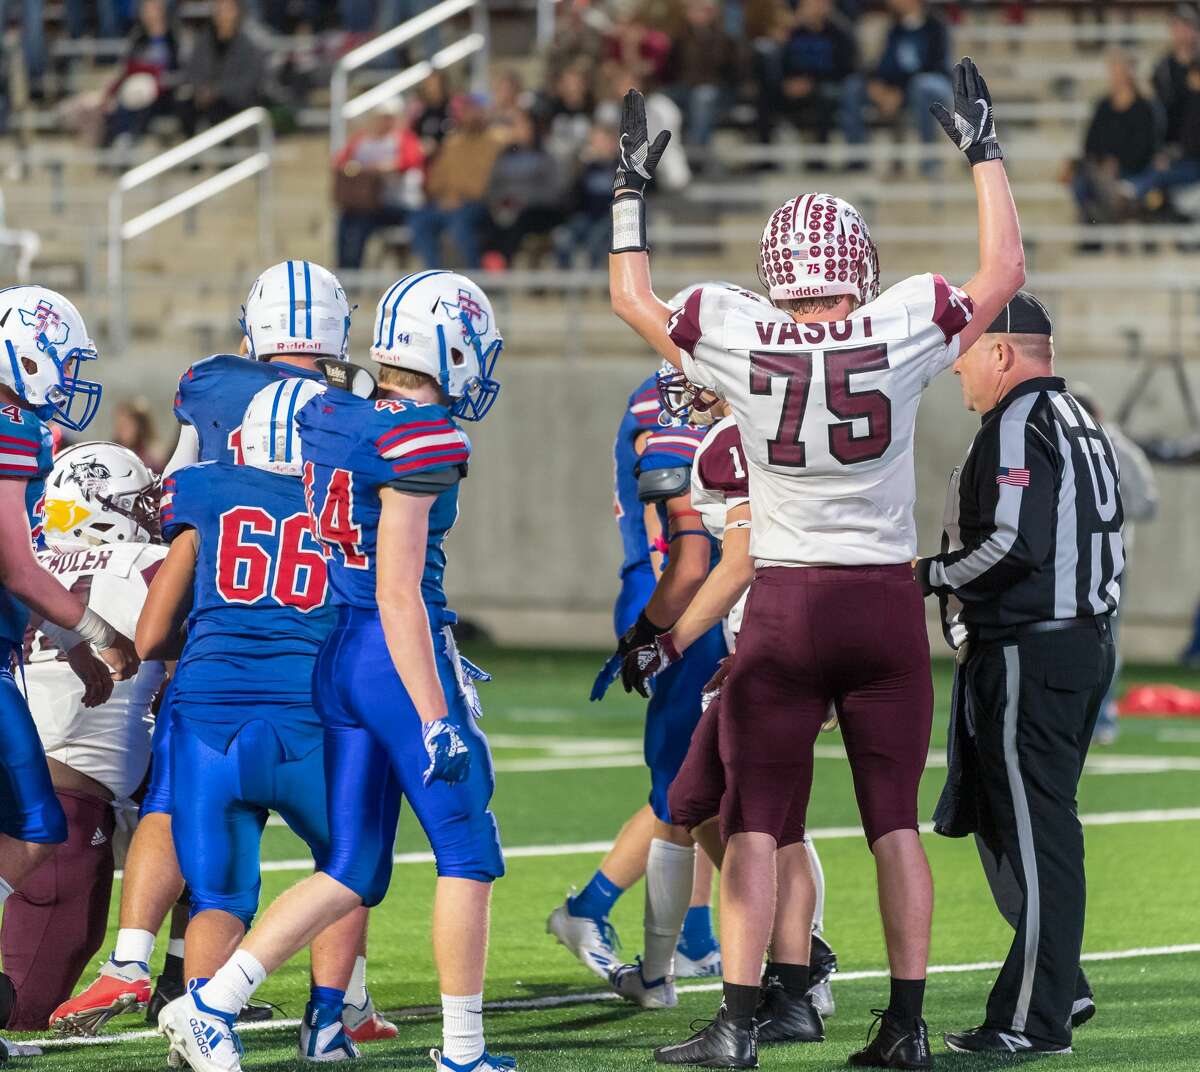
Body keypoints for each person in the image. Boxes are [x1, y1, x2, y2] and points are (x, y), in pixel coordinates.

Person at [607, 56, 1023, 1068]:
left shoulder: (738, 334)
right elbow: (1005, 272)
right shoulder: (903, 321)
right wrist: (984, 154)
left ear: (773, 268)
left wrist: (629, 189)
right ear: (859, 263)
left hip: (786, 607)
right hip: (882, 602)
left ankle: (742, 1022)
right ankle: (908, 1025)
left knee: (756, 822)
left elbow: (632, 296)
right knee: (893, 826)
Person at [158, 270, 514, 1072]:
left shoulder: (330, 415)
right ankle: (464, 1053)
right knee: (467, 851)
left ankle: (213, 1001)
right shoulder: (424, 437)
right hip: (393, 653)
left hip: (338, 656)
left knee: (352, 865)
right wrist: (433, 714)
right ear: (450, 351)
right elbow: (398, 590)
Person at [58, 261, 396, 1044]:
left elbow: (171, 517)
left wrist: (149, 638)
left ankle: (144, 968)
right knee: (350, 852)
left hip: (210, 669)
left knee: (194, 840)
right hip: (321, 677)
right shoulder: (361, 414)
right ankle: (336, 1012)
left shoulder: (212, 396)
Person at [918, 291, 1124, 1056]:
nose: (956, 371)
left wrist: (923, 575)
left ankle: (1039, 1021)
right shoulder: (1078, 420)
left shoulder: (1015, 422)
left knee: (1036, 834)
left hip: (1031, 651)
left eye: (965, 353)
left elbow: (1014, 547)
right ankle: (1052, 988)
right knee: (1011, 823)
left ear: (1002, 353)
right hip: (1078, 644)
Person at [139, 379, 365, 1063]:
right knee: (348, 870)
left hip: (208, 723)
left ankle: (206, 1030)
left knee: (220, 897)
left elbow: (151, 635)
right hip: (306, 724)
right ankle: (326, 1026)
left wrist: (215, 636)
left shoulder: (204, 493)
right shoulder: (343, 504)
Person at [628, 370, 838, 1028]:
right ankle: (791, 975)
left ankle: (782, 987)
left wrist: (667, 642)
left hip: (776, 642)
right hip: (791, 636)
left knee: (762, 825)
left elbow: (733, 563)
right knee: (713, 807)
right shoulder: (798, 432)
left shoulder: (733, 439)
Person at [0, 286, 139, 1029]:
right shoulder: (11, 424)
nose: (71, 379)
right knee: (36, 824)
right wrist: (97, 635)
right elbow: (19, 570)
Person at [3, 444, 166, 1032]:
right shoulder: (155, 561)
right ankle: (182, 982)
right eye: (138, 501)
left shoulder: (24, 559)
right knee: (21, 1013)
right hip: (67, 805)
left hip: (31, 773)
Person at [1067, 387, 1158, 744]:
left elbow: (1148, 503)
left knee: (1105, 637)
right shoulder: (1062, 443)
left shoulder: (1121, 450)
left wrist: (1106, 512)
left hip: (1109, 560)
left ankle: (1102, 715)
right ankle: (1075, 716)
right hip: (1068, 559)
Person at [842, 0, 952, 172]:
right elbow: (885, 65)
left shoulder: (936, 26)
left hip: (932, 84)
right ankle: (858, 158)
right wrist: (876, 86)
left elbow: (935, 64)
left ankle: (929, 159)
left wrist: (899, 92)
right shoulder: (895, 29)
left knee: (922, 86)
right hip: (898, 89)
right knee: (853, 86)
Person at [1069, 50, 1162, 227]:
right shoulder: (1103, 106)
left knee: (1112, 186)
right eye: (1113, 71)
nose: (1115, 77)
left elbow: (1146, 146)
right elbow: (1090, 143)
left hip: (1135, 170)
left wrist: (1118, 163)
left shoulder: (1145, 108)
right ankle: (1109, 220)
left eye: (1119, 71)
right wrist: (1105, 161)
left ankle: (1114, 217)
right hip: (1103, 171)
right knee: (1083, 182)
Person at [409, 96, 504, 269]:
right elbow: (436, 178)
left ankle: (476, 281)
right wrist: (444, 196)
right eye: (466, 111)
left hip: (478, 204)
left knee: (460, 225)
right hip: (445, 203)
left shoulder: (494, 142)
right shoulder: (452, 142)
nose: (469, 116)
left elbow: (486, 181)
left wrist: (458, 197)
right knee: (418, 221)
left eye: (474, 111)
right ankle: (436, 276)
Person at [755, 0, 859, 150]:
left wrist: (812, 83)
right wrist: (786, 82)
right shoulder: (791, 32)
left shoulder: (839, 34)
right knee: (765, 97)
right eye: (810, 3)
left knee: (826, 95)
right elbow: (781, 64)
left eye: (820, 3)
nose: (816, 7)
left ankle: (818, 159)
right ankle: (765, 159)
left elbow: (844, 69)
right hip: (791, 85)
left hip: (823, 85)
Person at [332, 105, 425, 270]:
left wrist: (381, 167)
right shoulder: (361, 139)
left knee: (360, 222)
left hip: (400, 206)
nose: (385, 122)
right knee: (347, 220)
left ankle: (352, 275)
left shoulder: (403, 138)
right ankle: (345, 273)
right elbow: (340, 162)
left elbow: (411, 161)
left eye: (389, 118)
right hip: (369, 204)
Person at [483, 110, 564, 268]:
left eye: (525, 126)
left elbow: (553, 192)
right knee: (483, 222)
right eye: (517, 127)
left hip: (536, 211)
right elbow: (493, 187)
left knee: (516, 225)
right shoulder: (504, 157)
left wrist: (522, 200)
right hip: (505, 209)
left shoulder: (544, 156)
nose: (521, 131)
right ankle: (490, 271)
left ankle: (505, 268)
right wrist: (500, 203)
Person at [177, 0, 264, 138]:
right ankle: (192, 156)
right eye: (219, 10)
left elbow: (249, 81)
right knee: (184, 107)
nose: (222, 15)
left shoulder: (248, 46)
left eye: (227, 10)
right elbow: (192, 72)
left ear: (237, 13)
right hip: (203, 98)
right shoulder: (203, 42)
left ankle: (228, 154)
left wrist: (217, 92)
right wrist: (201, 90)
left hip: (233, 101)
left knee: (218, 110)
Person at [662, 0, 738, 148]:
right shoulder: (680, 36)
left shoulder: (724, 38)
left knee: (702, 96)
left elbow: (731, 71)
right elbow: (670, 68)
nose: (699, 14)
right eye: (694, 10)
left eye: (704, 10)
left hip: (717, 89)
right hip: (685, 87)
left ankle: (697, 149)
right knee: (657, 97)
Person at [113, 397, 166, 471]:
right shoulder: (113, 453)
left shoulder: (151, 459)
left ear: (139, 427)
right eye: (119, 424)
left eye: (126, 425)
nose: (120, 429)